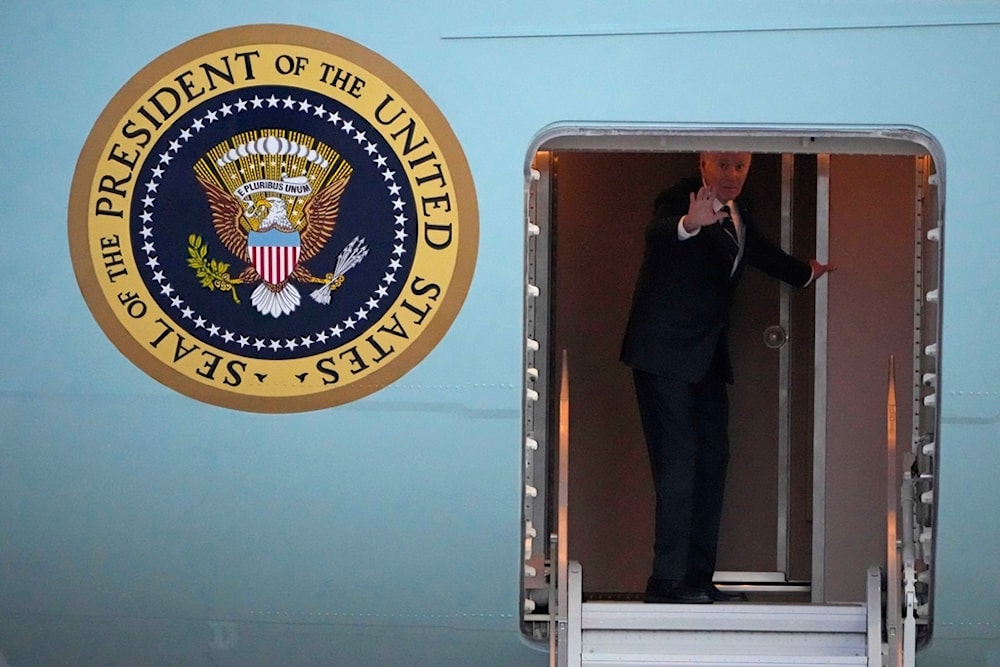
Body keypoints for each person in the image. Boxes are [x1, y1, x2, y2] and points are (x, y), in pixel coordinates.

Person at [619, 152, 835, 604]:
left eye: (739, 166)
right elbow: (660, 232)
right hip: (664, 356)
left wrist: (806, 274)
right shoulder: (679, 199)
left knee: (713, 463)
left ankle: (697, 577)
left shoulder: (741, 208)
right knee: (678, 465)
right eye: (722, 165)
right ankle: (666, 582)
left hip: (707, 359)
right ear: (703, 164)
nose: (731, 175)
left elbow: (756, 250)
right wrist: (689, 223)